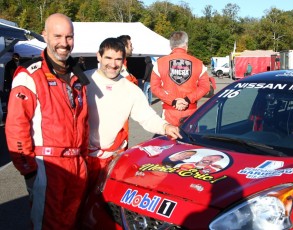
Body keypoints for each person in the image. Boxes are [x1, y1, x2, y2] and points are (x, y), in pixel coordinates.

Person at [5, 13, 89, 230]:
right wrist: (29, 170)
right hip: (47, 166)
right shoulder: (29, 75)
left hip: (77, 164)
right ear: (44, 36)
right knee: (47, 225)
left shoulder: (77, 75)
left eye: (69, 37)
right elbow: (16, 126)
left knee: (72, 222)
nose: (64, 43)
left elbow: (84, 122)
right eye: (58, 36)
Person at [85, 37, 182, 191]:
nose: (113, 64)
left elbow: (146, 116)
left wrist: (165, 126)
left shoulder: (130, 89)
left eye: (118, 59)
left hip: (113, 160)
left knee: (106, 206)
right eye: (108, 58)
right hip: (82, 159)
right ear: (99, 56)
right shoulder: (82, 81)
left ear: (123, 60)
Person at [151, 31, 210, 126]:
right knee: (189, 140)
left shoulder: (159, 63)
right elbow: (205, 87)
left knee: (169, 140)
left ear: (171, 46)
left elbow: (154, 87)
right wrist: (187, 100)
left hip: (169, 113)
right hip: (191, 112)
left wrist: (173, 101)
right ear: (186, 45)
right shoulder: (198, 63)